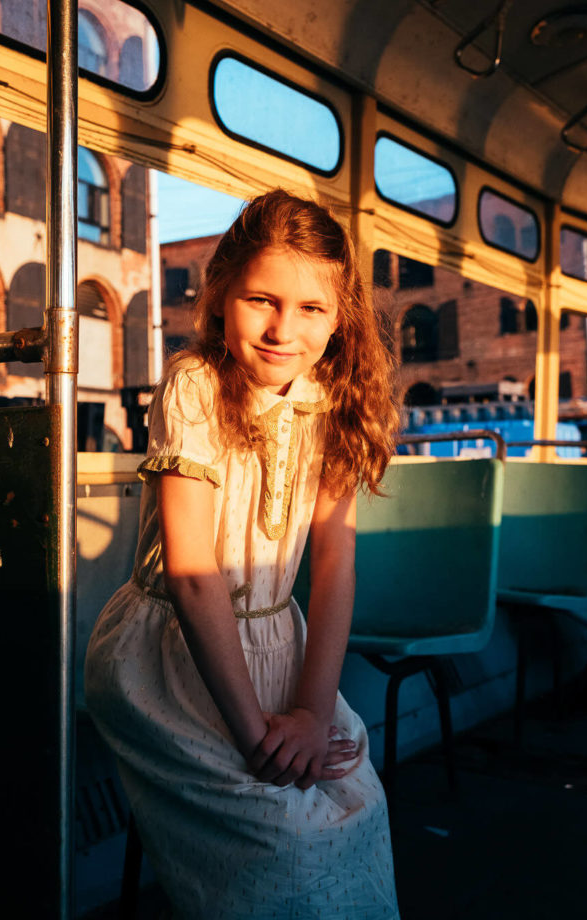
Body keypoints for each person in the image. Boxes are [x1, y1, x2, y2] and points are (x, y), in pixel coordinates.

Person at [85, 188, 401, 919]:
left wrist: (313, 714)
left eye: (311, 308)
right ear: (221, 292)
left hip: (277, 637)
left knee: (359, 799)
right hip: (169, 654)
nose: (281, 329)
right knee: (286, 838)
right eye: (262, 300)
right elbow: (195, 583)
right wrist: (261, 736)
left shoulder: (336, 401)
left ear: (338, 317)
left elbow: (333, 565)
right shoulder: (195, 383)